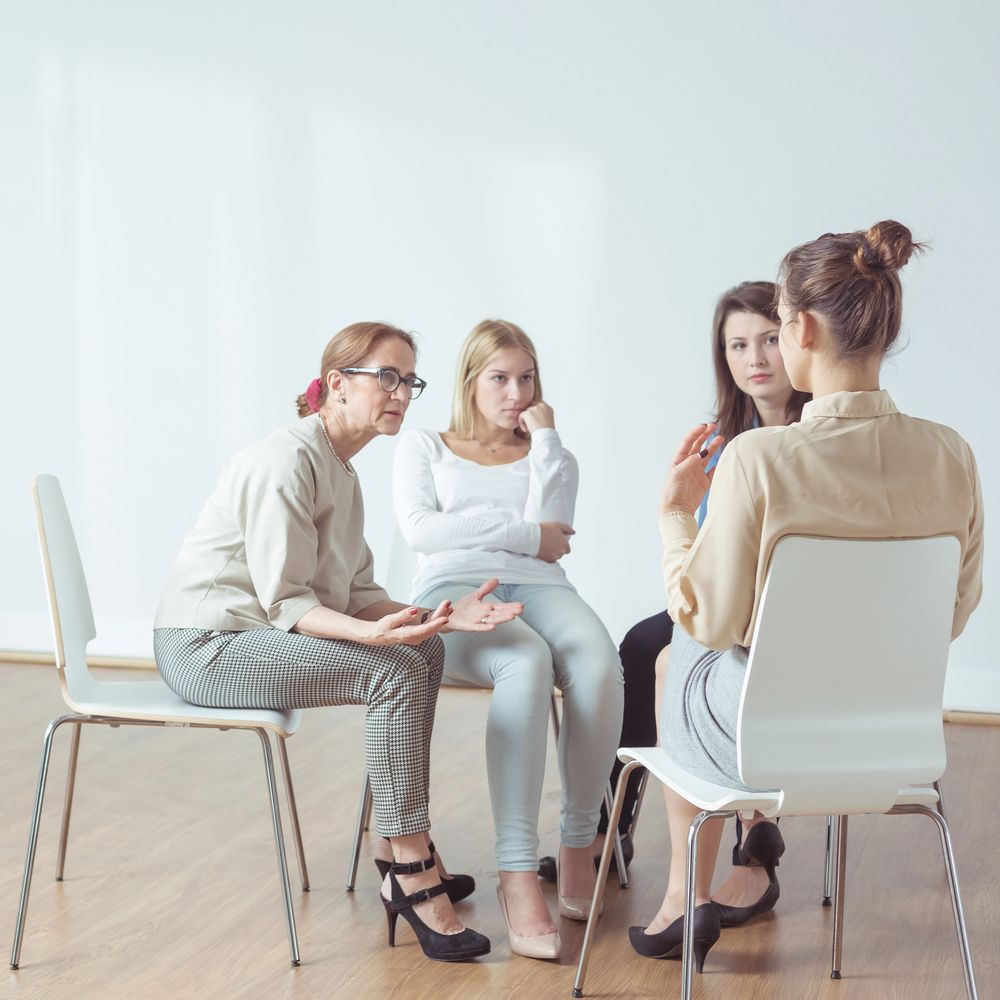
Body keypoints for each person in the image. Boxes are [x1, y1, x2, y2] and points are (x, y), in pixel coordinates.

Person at [630, 221, 984, 967]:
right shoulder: (952, 454)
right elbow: (951, 611)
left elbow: (706, 614)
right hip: (894, 739)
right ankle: (732, 869)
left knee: (681, 641)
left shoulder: (756, 459)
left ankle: (682, 897)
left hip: (764, 739)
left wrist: (672, 516)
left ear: (801, 327)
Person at [154, 321, 524, 963]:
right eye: (387, 377)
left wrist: (435, 614)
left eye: (410, 381)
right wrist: (376, 636)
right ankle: (410, 866)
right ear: (336, 383)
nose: (402, 394)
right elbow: (288, 603)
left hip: (253, 637)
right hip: (206, 646)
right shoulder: (289, 459)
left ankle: (390, 848)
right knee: (394, 668)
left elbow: (356, 592)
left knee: (422, 651)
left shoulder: (342, 470)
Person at [392, 319, 624, 960]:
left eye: (526, 378)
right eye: (499, 378)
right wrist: (519, 533)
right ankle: (516, 873)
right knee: (526, 659)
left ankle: (578, 842)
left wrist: (546, 438)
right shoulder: (424, 445)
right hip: (452, 594)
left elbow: (558, 523)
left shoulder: (550, 452)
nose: (515, 391)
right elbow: (422, 531)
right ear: (470, 381)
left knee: (598, 663)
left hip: (544, 587)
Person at [579, 282, 809, 927]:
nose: (755, 357)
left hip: (785, 610)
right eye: (738, 345)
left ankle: (753, 824)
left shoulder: (817, 434)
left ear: (798, 340)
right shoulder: (717, 439)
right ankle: (614, 822)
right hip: (726, 599)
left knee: (686, 654)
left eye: (768, 338)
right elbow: (706, 554)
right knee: (640, 643)